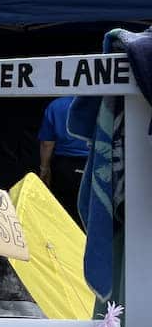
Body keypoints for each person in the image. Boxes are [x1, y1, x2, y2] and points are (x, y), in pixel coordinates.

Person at [38, 97, 90, 228]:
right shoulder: (100, 101)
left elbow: (47, 143)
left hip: (65, 167)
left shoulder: (56, 105)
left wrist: (44, 168)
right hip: (96, 164)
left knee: (65, 215)